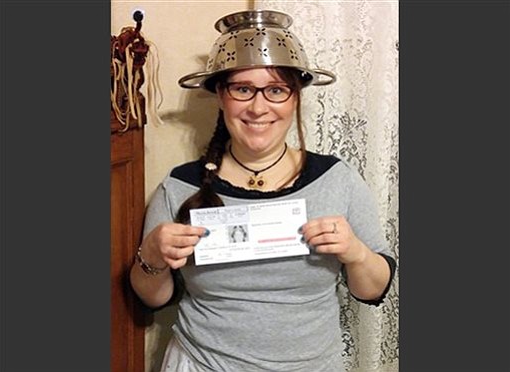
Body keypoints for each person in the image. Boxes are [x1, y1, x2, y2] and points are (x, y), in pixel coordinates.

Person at [130, 9, 396, 372]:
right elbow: (153, 297)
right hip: (202, 364)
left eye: (275, 90)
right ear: (221, 96)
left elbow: (373, 289)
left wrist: (356, 253)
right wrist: (152, 255)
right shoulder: (180, 185)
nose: (258, 107)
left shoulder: (337, 178)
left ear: (295, 97)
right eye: (242, 89)